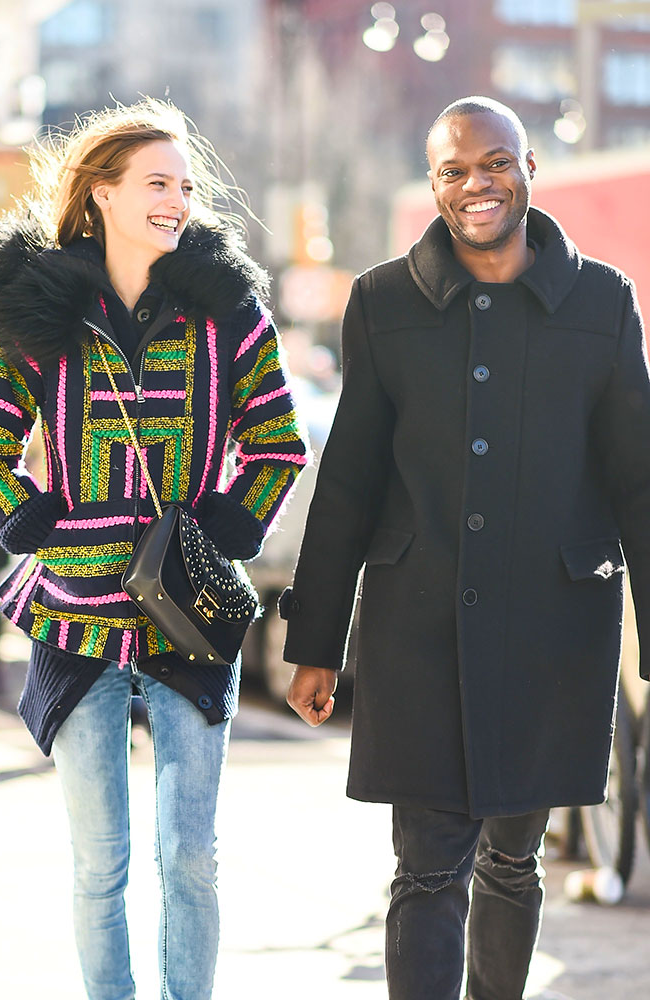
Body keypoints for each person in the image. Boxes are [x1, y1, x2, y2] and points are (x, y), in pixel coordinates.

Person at [280, 95, 650, 1000]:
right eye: (453, 170)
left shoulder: (602, 303)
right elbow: (353, 482)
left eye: (494, 163)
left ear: (529, 169)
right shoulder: (382, 300)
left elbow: (638, 481)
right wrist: (316, 643)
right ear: (437, 183)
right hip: (420, 625)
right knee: (426, 867)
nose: (474, 184)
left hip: (551, 629)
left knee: (514, 863)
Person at [0, 98, 307, 1000]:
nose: (176, 201)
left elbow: (279, 446)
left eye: (185, 187)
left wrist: (226, 529)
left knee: (189, 856)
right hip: (75, 620)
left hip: (190, 619)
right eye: (156, 183)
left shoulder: (233, 320)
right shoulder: (42, 319)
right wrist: (28, 523)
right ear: (101, 194)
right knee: (98, 864)